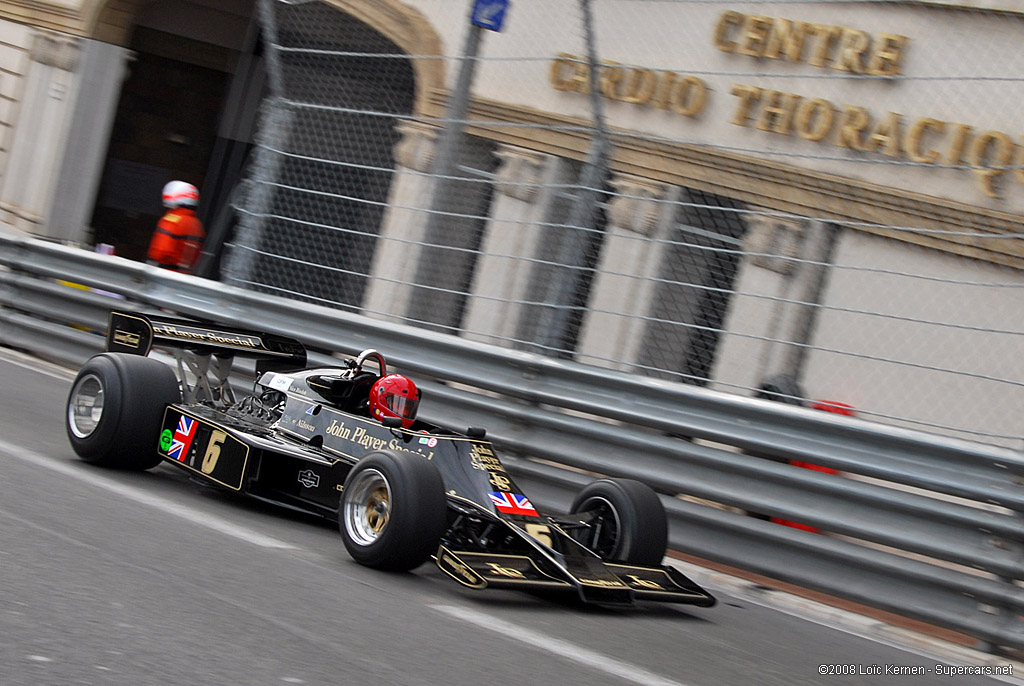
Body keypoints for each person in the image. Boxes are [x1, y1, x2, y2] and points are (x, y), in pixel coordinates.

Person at [147, 180, 206, 273]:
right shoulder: (197, 224)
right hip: (185, 275)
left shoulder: (171, 220)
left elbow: (160, 250)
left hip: (163, 272)